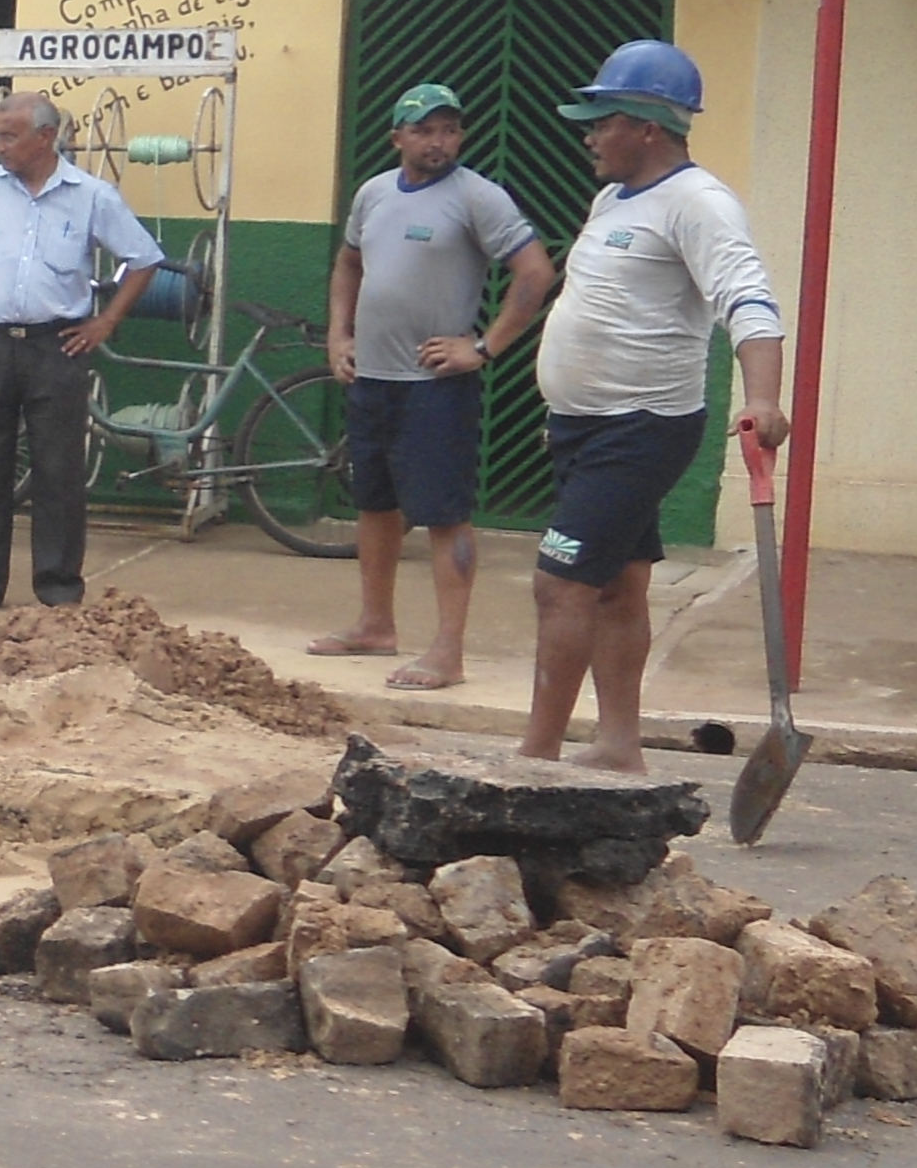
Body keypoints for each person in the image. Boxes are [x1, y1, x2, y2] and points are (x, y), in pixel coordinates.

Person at [520, 41, 787, 772]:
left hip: (640, 427)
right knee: (618, 584)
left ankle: (536, 756)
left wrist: (764, 399)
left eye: (600, 120)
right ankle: (617, 747)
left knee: (560, 582)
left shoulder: (701, 204)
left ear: (646, 127)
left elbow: (749, 301)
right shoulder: (614, 198)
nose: (588, 135)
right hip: (584, 427)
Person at [307, 84, 557, 689]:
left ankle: (448, 651)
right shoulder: (373, 194)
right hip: (373, 379)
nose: (438, 141)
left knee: (446, 517)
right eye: (424, 130)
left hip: (434, 387)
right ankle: (375, 624)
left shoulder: (478, 197)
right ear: (398, 138)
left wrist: (483, 347)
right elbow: (348, 263)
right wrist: (339, 336)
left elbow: (535, 271)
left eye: (448, 129)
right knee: (374, 505)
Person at [0, 88, 162, 611]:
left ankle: (58, 587)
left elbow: (143, 259)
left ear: (47, 137)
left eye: (9, 136)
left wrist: (107, 321)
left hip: (58, 346)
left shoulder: (92, 195)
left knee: (58, 469)